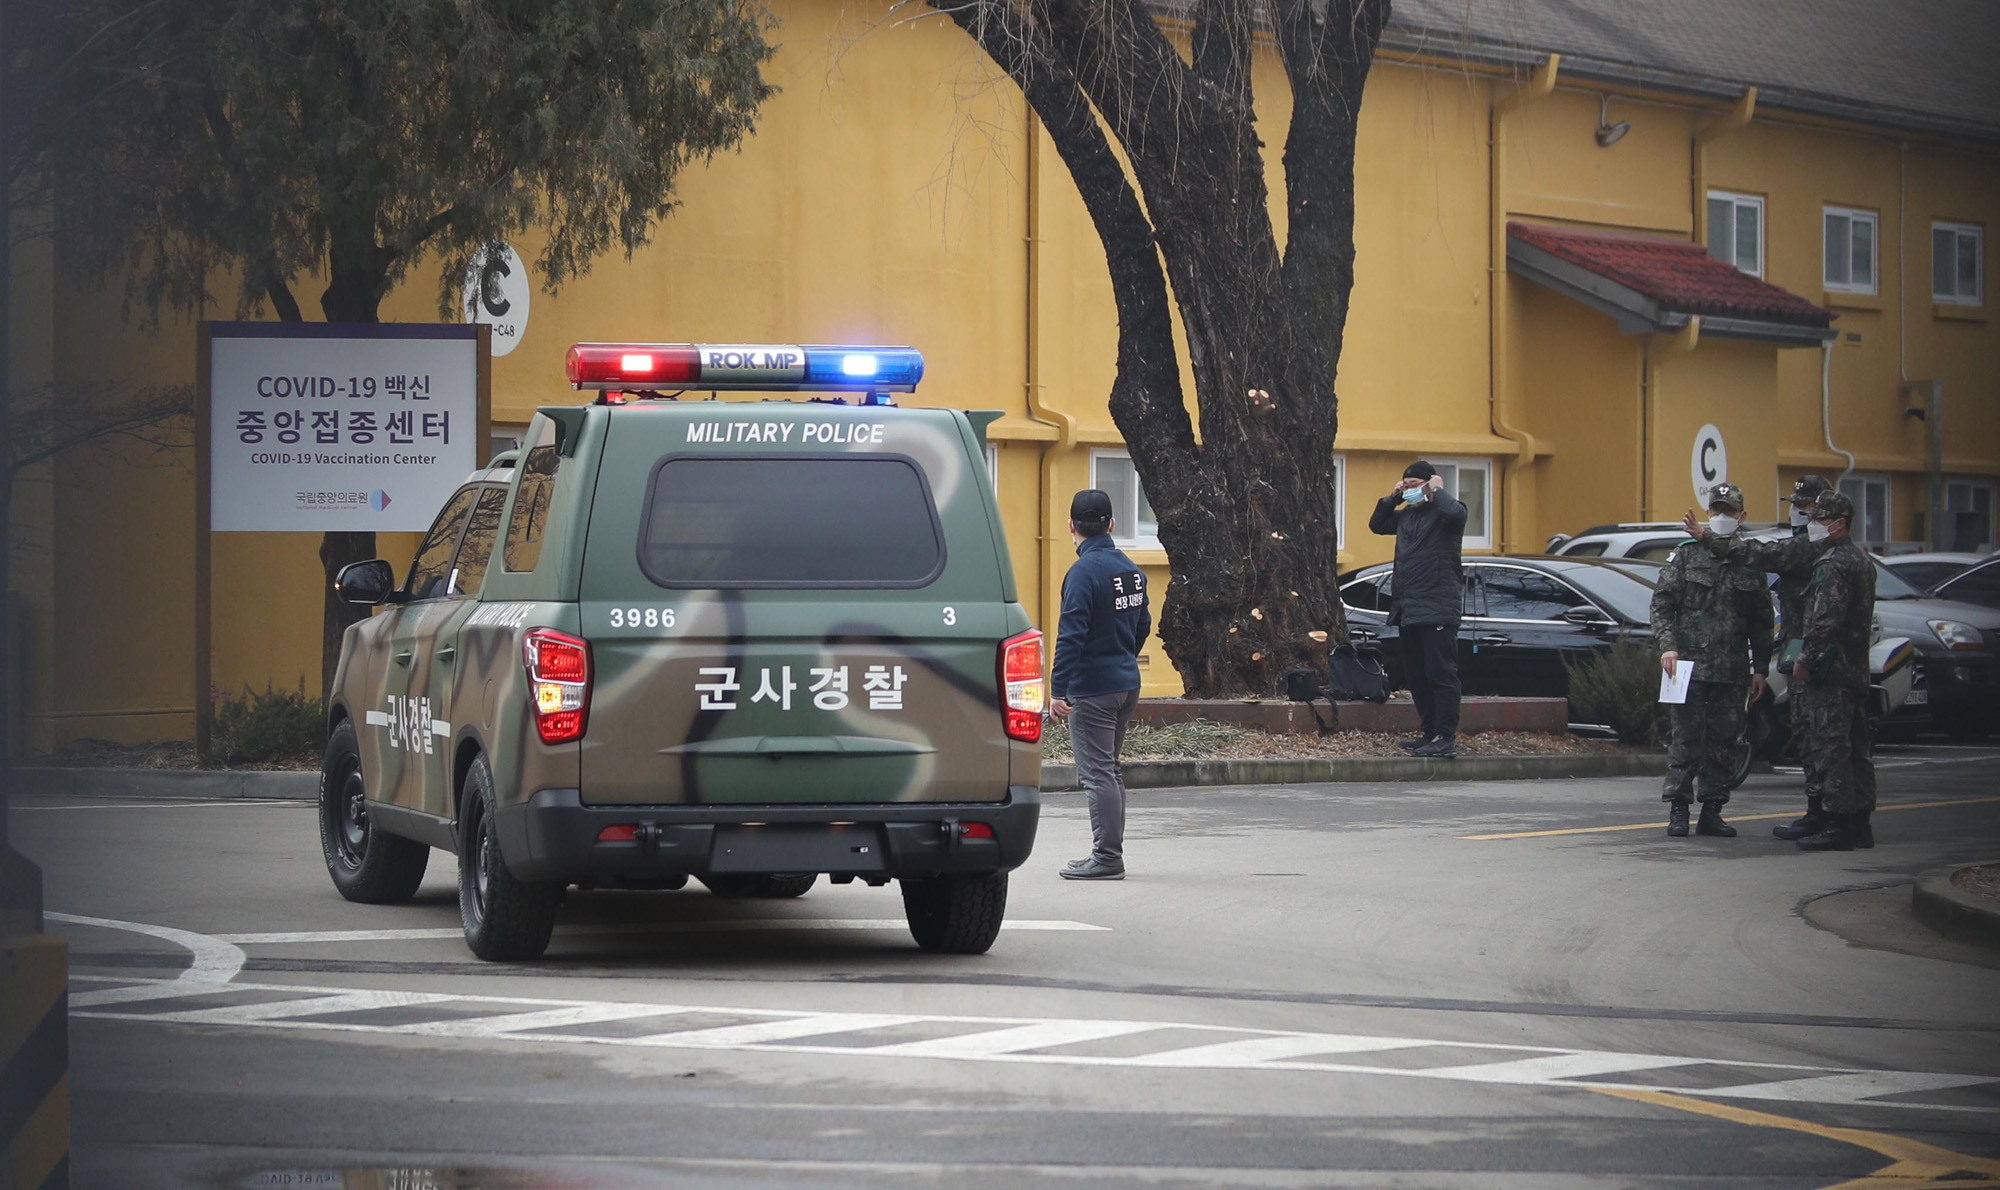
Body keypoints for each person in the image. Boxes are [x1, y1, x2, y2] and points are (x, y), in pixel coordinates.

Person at [1681, 474, 1833, 839]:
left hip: (1812, 657)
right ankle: (1826, 814)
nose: (1798, 512)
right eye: (1795, 505)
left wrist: (1707, 537)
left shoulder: (1813, 547)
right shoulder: (1810, 544)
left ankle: (1832, 816)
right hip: (1794, 652)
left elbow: (1762, 562)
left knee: (1820, 738)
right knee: (1811, 737)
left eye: (1806, 506)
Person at [1651, 483, 1773, 837]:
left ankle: (1712, 810)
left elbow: (1762, 621)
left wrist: (1760, 668)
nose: (1722, 516)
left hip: (1731, 669)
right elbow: (1662, 604)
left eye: (1729, 511)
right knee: (1685, 740)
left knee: (1724, 742)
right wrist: (1668, 646)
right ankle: (1678, 809)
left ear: (1742, 516)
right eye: (1717, 510)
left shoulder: (1749, 560)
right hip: (1686, 667)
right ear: (1707, 513)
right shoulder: (1687, 554)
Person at [1049, 489, 1152, 881]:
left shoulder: (1082, 574)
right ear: (1111, 524)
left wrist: (1058, 691)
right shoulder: (1132, 571)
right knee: (1109, 769)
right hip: (1126, 683)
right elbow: (1143, 624)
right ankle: (1109, 852)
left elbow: (1070, 636)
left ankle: (1107, 857)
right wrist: (1122, 656)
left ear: (1071, 527)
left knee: (1097, 774)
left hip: (1093, 689)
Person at [1790, 491, 1878, 851]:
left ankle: (1838, 822)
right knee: (1857, 748)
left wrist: (1805, 660)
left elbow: (1825, 620)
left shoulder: (1832, 563)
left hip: (1831, 672)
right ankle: (1860, 823)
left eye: (1820, 519)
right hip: (1855, 669)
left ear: (1839, 524)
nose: (1813, 525)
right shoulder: (1862, 560)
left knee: (1832, 747)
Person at [1368, 461, 1467, 758]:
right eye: (1406, 485)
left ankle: (1445, 736)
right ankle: (1430, 732)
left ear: (1429, 484)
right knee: (1418, 677)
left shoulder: (1446, 514)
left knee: (1441, 674)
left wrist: (1438, 490)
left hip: (1438, 607)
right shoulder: (1406, 517)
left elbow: (1456, 513)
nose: (1409, 490)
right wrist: (1393, 497)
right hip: (1408, 608)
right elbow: (1377, 524)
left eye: (1414, 485)